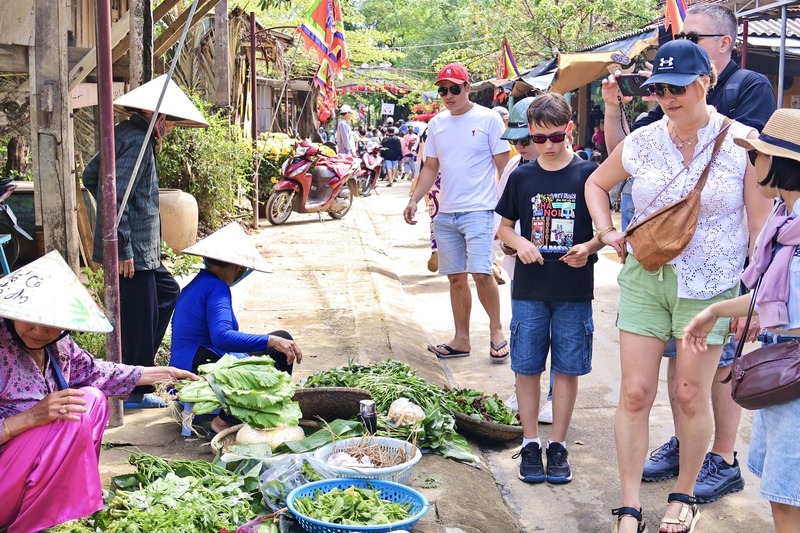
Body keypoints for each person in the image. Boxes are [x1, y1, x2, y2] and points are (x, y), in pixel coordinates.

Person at [584, 40, 771, 533]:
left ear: (706, 80)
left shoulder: (742, 143)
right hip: (646, 277)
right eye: (659, 88)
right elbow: (596, 184)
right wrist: (607, 232)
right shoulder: (644, 140)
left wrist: (748, 307)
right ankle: (628, 507)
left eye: (679, 86)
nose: (669, 97)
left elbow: (761, 232)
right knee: (635, 392)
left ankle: (682, 495)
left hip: (709, 287)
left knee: (690, 395)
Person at [0, 251, 197, 532]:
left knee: (92, 399)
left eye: (50, 323)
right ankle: (31, 524)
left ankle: (64, 505)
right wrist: (31, 417)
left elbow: (98, 373)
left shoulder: (59, 347)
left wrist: (162, 373)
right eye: (29, 318)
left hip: (28, 475)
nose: (38, 330)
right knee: (73, 415)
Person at [683, 108, 800, 533]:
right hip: (785, 368)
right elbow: (770, 295)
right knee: (781, 492)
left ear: (783, 163)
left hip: (794, 371)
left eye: (757, 157)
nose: (752, 165)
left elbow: (782, 304)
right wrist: (715, 310)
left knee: (789, 496)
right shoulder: (785, 222)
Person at [83, 75, 206, 409]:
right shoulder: (136, 140)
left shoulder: (131, 135)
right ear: (161, 118)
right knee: (138, 319)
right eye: (170, 125)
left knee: (167, 293)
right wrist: (121, 245)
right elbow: (116, 194)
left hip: (143, 249)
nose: (169, 131)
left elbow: (91, 176)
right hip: (131, 251)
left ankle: (139, 374)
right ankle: (134, 389)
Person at [497, 93, 601, 486]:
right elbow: (504, 227)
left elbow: (603, 231)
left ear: (568, 129)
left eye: (555, 137)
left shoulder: (589, 173)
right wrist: (520, 242)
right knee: (526, 366)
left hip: (574, 289)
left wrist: (589, 247)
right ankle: (529, 442)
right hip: (529, 289)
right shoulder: (521, 175)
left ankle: (557, 445)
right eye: (538, 139)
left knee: (567, 368)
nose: (547, 146)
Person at [403, 63, 511, 362]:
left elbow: (503, 166)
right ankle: (461, 339)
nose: (448, 95)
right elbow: (431, 167)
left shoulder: (489, 119)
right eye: (442, 90)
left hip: (480, 209)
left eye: (454, 89)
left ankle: (496, 331)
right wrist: (414, 200)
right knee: (454, 277)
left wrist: (509, 211)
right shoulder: (437, 124)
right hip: (446, 213)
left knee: (482, 272)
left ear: (467, 87)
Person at [170, 223, 303, 434]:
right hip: (197, 366)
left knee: (278, 338)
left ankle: (263, 408)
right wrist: (270, 341)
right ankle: (224, 420)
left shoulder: (200, 282)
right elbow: (222, 337)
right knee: (277, 344)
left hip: (189, 361)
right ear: (237, 266)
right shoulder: (216, 287)